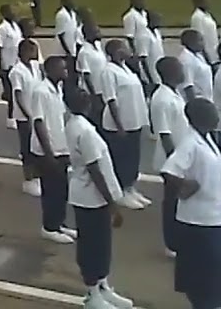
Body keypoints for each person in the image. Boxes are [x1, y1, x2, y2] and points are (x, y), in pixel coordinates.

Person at [64, 86, 132, 309]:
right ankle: (93, 293)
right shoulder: (86, 132)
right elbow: (95, 169)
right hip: (91, 197)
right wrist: (112, 204)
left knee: (100, 244)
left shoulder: (77, 125)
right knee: (94, 245)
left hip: (88, 195)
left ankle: (103, 286)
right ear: (87, 104)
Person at [161, 98, 221, 309]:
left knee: (213, 271)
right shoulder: (190, 143)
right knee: (205, 272)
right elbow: (169, 171)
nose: (217, 115)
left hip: (212, 216)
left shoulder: (207, 139)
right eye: (212, 112)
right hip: (198, 221)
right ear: (199, 118)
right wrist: (186, 186)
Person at [99, 39, 151, 209]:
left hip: (134, 120)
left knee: (133, 157)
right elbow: (111, 99)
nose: (129, 51)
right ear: (116, 51)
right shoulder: (108, 71)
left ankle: (130, 187)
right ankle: (120, 191)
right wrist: (119, 125)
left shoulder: (128, 69)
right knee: (121, 158)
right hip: (119, 124)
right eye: (125, 48)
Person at [29, 55, 74, 244]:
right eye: (61, 69)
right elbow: (38, 122)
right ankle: (49, 227)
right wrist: (48, 153)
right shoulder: (41, 91)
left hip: (60, 145)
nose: (65, 71)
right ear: (49, 71)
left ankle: (59, 222)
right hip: (47, 150)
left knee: (62, 188)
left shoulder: (59, 89)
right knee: (52, 190)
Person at [152, 56, 190, 258]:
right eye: (179, 68)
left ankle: (180, 239)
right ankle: (172, 243)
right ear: (170, 72)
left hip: (181, 156)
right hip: (172, 160)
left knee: (180, 201)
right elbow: (165, 134)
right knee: (172, 202)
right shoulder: (162, 99)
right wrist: (176, 164)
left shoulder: (174, 93)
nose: (183, 71)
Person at [8, 39, 42, 197]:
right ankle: (28, 179)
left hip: (37, 112)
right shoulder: (16, 71)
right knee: (27, 147)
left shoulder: (35, 67)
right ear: (25, 52)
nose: (36, 53)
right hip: (25, 116)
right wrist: (28, 114)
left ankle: (37, 176)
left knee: (37, 146)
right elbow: (18, 95)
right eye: (33, 50)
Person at [0, 4, 23, 129]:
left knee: (17, 90)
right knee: (11, 92)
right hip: (7, 63)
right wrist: (0, 65)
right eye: (11, 11)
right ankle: (10, 118)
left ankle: (16, 115)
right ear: (5, 13)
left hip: (17, 61)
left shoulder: (16, 26)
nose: (14, 13)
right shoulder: (2, 28)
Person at [190, 0, 219, 70]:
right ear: (199, 2)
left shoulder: (207, 15)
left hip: (214, 51)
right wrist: (205, 56)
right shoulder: (197, 17)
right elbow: (198, 36)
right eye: (206, 1)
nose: (209, 3)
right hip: (207, 55)